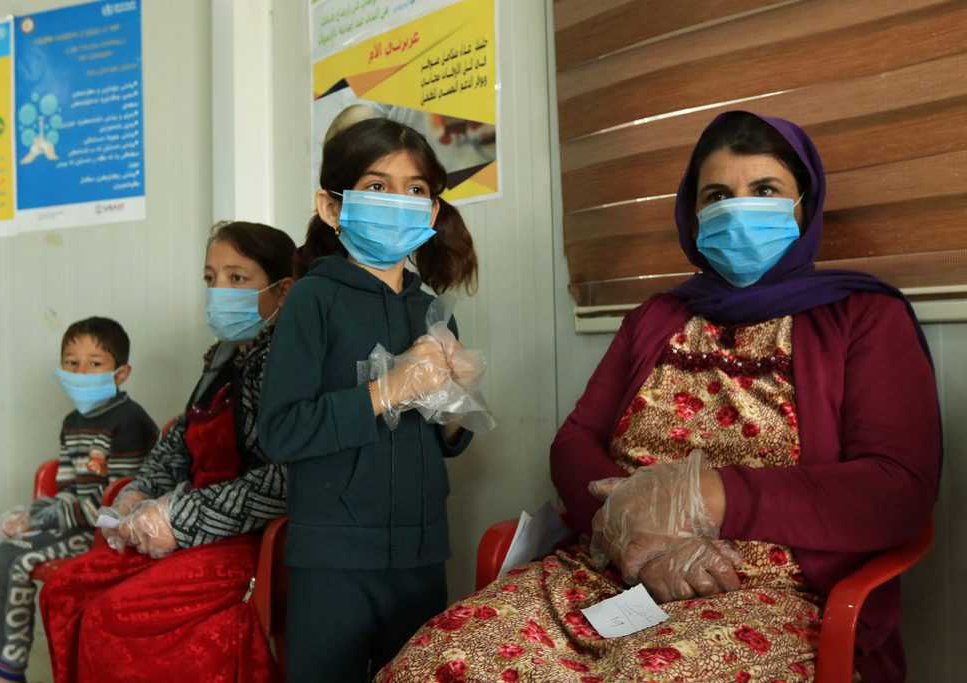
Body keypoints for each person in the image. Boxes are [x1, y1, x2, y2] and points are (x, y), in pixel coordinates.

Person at [376, 112, 940, 683]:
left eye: (765, 190)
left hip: (764, 592)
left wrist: (709, 495)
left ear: (804, 205)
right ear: (694, 215)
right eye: (717, 194)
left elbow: (895, 491)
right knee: (437, 661)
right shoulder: (657, 319)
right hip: (611, 569)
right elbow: (575, 443)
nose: (739, 208)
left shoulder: (865, 317)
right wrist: (638, 539)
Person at [257, 117, 479, 682]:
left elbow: (444, 440)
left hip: (422, 550)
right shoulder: (312, 301)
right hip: (332, 556)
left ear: (431, 214)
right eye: (377, 186)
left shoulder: (433, 311)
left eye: (415, 190)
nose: (397, 202)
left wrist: (457, 407)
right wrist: (384, 392)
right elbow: (280, 431)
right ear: (332, 208)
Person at [39, 221, 295, 683]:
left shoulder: (287, 361)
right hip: (186, 524)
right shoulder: (222, 357)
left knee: (111, 615)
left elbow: (283, 481)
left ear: (282, 290)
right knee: (63, 591)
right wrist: (139, 493)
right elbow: (178, 441)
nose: (219, 291)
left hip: (244, 541)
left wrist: (180, 516)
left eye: (237, 278)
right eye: (210, 278)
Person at [0, 317, 158, 683]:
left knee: (10, 555)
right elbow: (68, 490)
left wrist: (42, 519)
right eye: (71, 362)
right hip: (76, 519)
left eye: (94, 363)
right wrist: (30, 513)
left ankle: (7, 670)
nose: (81, 372)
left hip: (106, 532)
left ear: (121, 372)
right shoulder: (73, 422)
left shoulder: (129, 421)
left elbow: (118, 502)